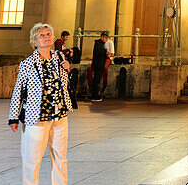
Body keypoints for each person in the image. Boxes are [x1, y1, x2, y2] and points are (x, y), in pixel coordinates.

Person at [8, 23, 74, 185]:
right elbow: (18, 90)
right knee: (32, 159)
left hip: (59, 115)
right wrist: (13, 117)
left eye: (48, 34)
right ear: (34, 41)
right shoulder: (28, 63)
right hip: (36, 117)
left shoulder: (59, 57)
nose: (46, 37)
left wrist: (68, 71)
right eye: (41, 35)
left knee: (61, 158)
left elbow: (64, 85)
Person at [53, 31, 78, 109]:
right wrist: (68, 50)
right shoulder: (58, 42)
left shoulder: (63, 43)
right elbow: (59, 51)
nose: (67, 38)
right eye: (66, 37)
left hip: (64, 62)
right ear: (63, 36)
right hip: (60, 63)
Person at [88, 31, 114, 101]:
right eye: (104, 37)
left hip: (100, 64)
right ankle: (95, 95)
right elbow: (99, 52)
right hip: (98, 64)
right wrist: (106, 52)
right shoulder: (98, 43)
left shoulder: (101, 44)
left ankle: (95, 94)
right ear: (101, 37)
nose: (105, 39)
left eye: (106, 38)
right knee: (96, 80)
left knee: (97, 79)